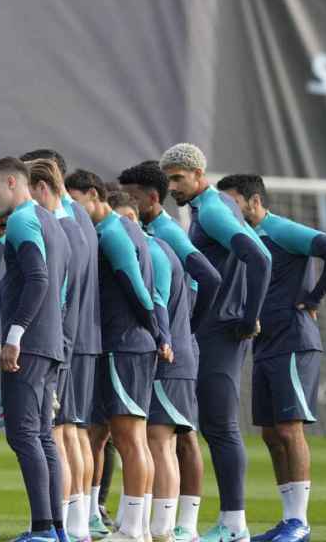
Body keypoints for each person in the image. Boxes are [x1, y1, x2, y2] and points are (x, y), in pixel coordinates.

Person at [217, 174, 326, 542]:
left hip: (294, 341)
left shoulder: (281, 229)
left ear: (253, 201)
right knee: (271, 434)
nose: (227, 209)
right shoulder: (245, 240)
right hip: (264, 344)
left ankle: (299, 522)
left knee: (290, 429)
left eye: (232, 201)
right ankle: (288, 520)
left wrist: (314, 298)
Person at [160, 144, 272, 542]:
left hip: (222, 330)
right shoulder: (215, 205)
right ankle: (218, 522)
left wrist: (248, 317)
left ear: (198, 173)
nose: (172, 186)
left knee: (221, 427)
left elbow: (260, 257)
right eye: (169, 178)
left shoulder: (211, 210)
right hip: (216, 328)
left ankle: (234, 524)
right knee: (209, 425)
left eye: (179, 178)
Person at [65, 170, 172, 542]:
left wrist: (158, 333)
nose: (71, 208)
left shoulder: (112, 232)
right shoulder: (124, 230)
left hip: (125, 345)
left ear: (94, 195)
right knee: (130, 438)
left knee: (129, 439)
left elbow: (138, 288)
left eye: (75, 199)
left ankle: (131, 529)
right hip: (128, 344)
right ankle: (136, 527)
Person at [118, 161, 221, 542]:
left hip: (172, 348)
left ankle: (177, 528)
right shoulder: (147, 232)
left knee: (172, 438)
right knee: (168, 437)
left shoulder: (165, 235)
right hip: (170, 345)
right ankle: (165, 525)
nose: (124, 204)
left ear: (150, 198)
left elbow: (209, 277)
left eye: (130, 197)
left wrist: (188, 329)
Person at [0, 156, 69, 542]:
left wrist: (15, 336)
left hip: (29, 345)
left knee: (23, 434)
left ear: (13, 182)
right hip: (49, 342)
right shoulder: (52, 220)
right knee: (43, 436)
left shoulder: (21, 220)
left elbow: (38, 278)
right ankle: (56, 528)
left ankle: (42, 530)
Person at [20, 149, 105, 541]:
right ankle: (82, 521)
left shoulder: (59, 224)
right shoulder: (82, 218)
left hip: (65, 340)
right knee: (73, 432)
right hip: (83, 338)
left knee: (57, 434)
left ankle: (67, 524)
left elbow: (60, 294)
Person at [111, 191, 196, 542]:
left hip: (168, 358)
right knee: (154, 441)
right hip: (175, 352)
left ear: (130, 218)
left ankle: (160, 527)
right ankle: (150, 524)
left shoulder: (153, 252)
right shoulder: (161, 251)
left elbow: (157, 301)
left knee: (159, 442)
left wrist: (167, 339)